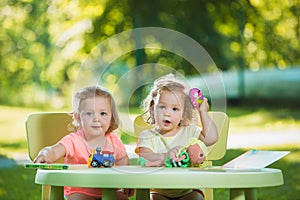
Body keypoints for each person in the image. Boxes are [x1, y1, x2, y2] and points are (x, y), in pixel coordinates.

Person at [34, 85, 132, 200]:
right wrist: (44, 155)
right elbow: (54, 151)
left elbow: (123, 162)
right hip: (79, 191)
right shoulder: (73, 140)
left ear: (111, 118)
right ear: (78, 118)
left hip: (109, 189)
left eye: (103, 113)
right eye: (89, 113)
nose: (96, 118)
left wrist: (127, 181)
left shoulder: (114, 141)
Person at [135, 74, 219, 200]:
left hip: (188, 190)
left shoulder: (189, 131)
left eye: (175, 109)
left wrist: (203, 112)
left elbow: (211, 138)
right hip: (158, 191)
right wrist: (165, 156)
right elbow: (145, 155)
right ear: (153, 109)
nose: (167, 113)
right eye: (162, 107)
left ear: (183, 114)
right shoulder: (148, 136)